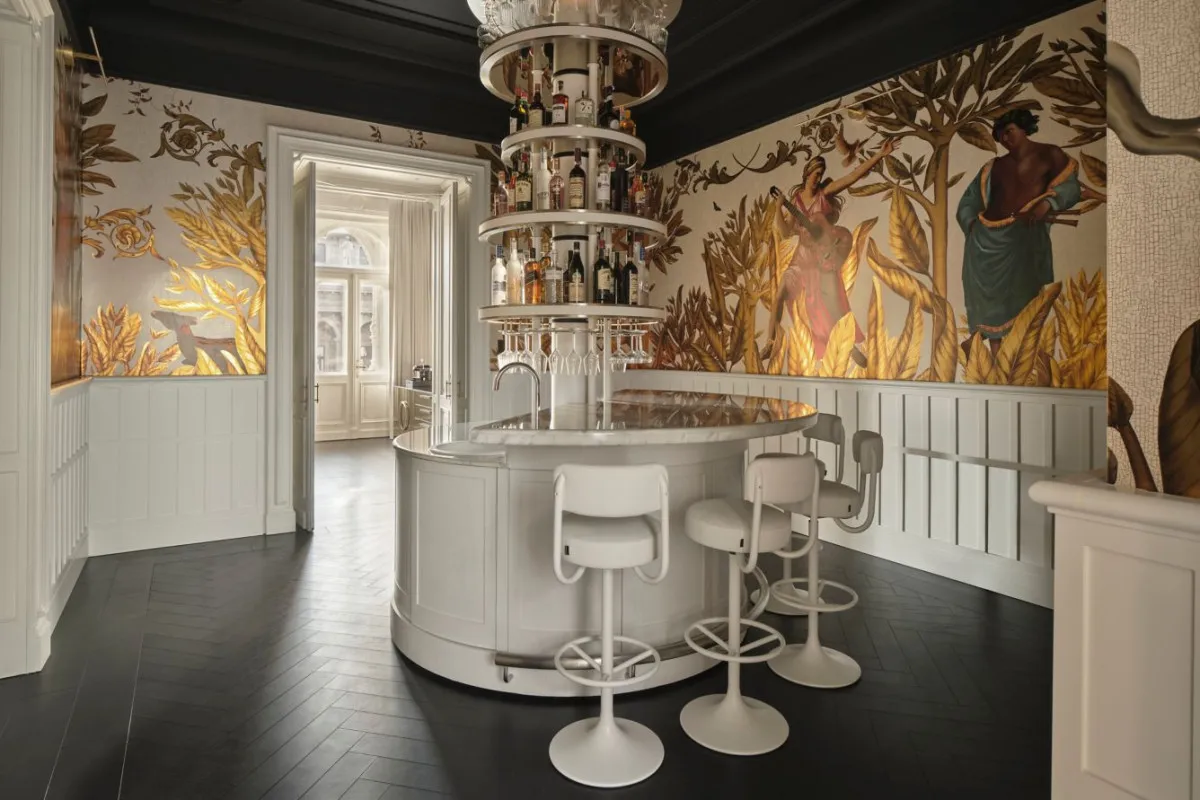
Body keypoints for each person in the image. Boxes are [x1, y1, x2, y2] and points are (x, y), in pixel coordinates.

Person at [957, 109, 1080, 354]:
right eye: (1000, 135)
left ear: (1024, 128)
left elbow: (1070, 186)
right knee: (989, 306)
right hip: (984, 243)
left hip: (1022, 239)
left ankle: (1017, 364)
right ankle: (995, 362)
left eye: (1009, 131)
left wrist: (1048, 204)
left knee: (1022, 302)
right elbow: (969, 201)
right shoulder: (994, 166)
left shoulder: (1049, 154)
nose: (1005, 138)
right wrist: (972, 224)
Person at [770, 138, 895, 362]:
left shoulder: (824, 194)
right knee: (780, 295)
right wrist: (778, 208)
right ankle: (770, 344)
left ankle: (850, 348)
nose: (818, 178)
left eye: (821, 174)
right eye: (815, 174)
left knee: (832, 305)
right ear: (807, 174)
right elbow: (785, 232)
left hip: (821, 257)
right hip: (801, 259)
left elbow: (851, 177)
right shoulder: (796, 202)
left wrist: (880, 155)